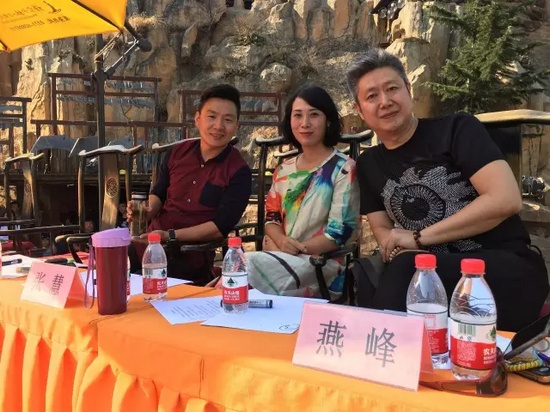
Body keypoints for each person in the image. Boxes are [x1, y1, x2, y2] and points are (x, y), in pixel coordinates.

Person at [346, 48, 549, 331]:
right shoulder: (369, 164)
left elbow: (506, 199)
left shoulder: (456, 130)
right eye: (371, 96)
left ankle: (375, 347)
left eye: (392, 89)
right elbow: (383, 231)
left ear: (408, 90)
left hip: (499, 268)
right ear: (359, 110)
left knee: (405, 272)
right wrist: (397, 250)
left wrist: (419, 238)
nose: (385, 101)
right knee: (386, 273)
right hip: (426, 276)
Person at [128, 84, 252, 285]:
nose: (218, 126)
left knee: (150, 288)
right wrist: (146, 211)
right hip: (149, 243)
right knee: (106, 264)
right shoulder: (177, 153)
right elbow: (159, 193)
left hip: (190, 256)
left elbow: (219, 227)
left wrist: (170, 236)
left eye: (228, 120)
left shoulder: (239, 171)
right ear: (197, 119)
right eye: (212, 117)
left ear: (236, 125)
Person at [246, 86, 360, 298]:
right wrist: (281, 243)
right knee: (240, 270)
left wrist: (291, 249)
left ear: (328, 121)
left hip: (322, 266)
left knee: (244, 267)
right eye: (297, 115)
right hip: (281, 259)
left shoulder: (344, 168)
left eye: (314, 115)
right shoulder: (283, 170)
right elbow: (271, 220)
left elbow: (338, 234)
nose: (305, 123)